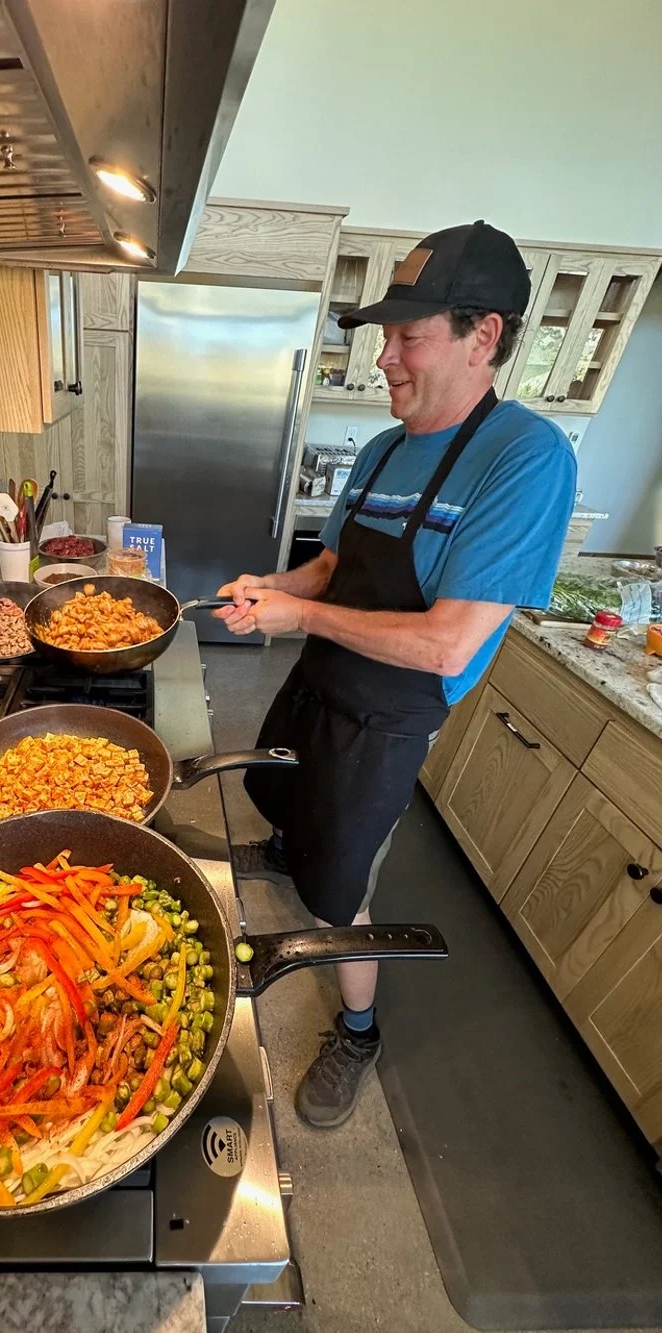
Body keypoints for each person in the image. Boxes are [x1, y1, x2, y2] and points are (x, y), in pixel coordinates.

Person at [215, 220, 576, 1129]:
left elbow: (451, 645)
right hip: (320, 685)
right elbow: (329, 571)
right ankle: (295, 846)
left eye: (408, 335)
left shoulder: (526, 459)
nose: (385, 357)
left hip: (388, 722)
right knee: (291, 807)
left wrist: (299, 616)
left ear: (481, 335)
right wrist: (273, 588)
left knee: (347, 885)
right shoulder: (382, 452)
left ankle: (360, 1028)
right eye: (385, 336)